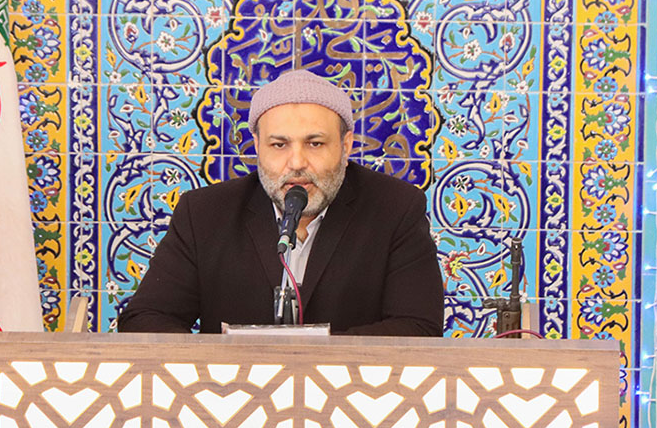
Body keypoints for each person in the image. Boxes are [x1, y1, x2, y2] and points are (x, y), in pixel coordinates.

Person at [117, 69, 444, 336]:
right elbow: (145, 320)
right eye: (279, 145)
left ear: (345, 146)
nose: (297, 162)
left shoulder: (395, 209)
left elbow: (418, 328)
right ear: (257, 146)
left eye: (315, 144)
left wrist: (307, 356)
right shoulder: (204, 214)